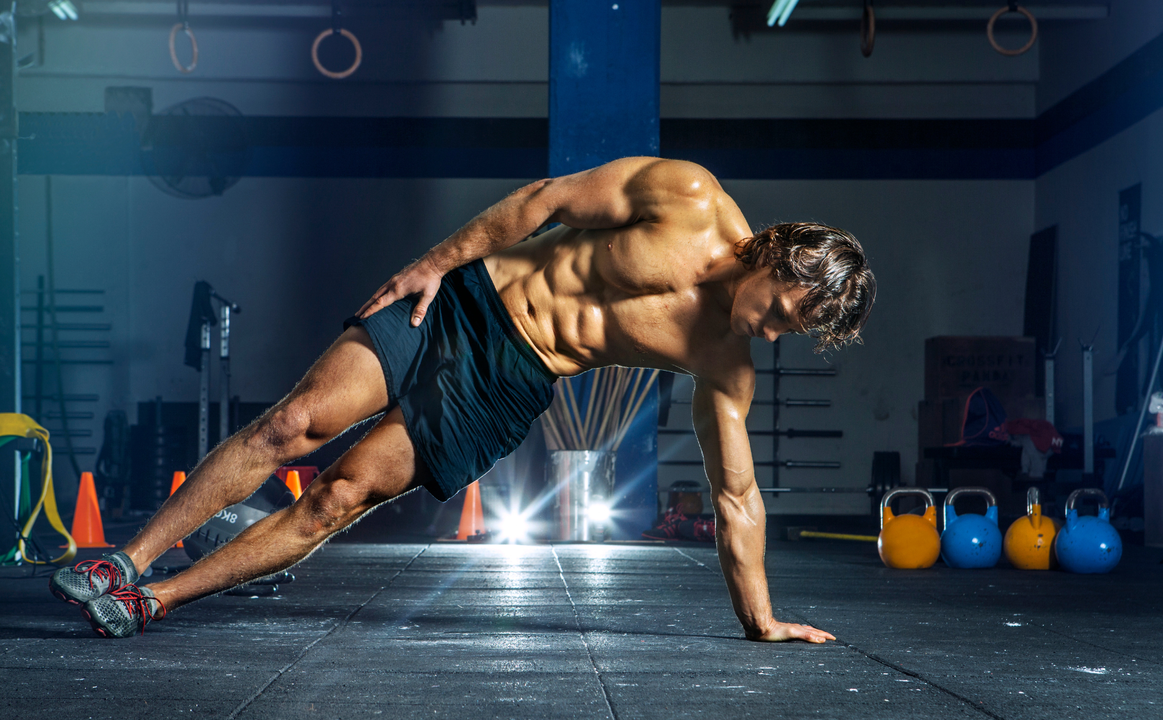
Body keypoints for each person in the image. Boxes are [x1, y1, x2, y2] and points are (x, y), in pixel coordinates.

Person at [50, 157, 874, 642]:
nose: (772, 333)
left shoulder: (725, 362)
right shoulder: (687, 198)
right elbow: (546, 200)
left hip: (509, 383)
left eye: (790, 332)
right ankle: (129, 558)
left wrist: (760, 618)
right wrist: (435, 263)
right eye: (783, 311)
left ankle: (148, 601)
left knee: (336, 499)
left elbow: (737, 498)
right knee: (293, 425)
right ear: (780, 260)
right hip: (466, 303)